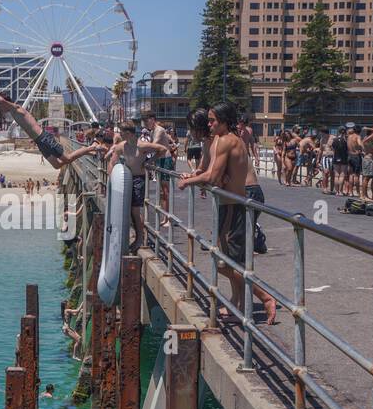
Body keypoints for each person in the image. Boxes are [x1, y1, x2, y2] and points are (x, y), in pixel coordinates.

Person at [178, 102, 277, 324]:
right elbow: (211, 171)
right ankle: (239, 304)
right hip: (233, 201)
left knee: (226, 260)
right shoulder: (221, 140)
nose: (209, 124)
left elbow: (212, 177)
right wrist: (197, 177)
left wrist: (189, 182)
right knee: (226, 258)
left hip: (238, 201)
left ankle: (263, 297)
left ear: (223, 121)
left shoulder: (224, 141)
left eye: (213, 120)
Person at [105, 120, 171, 250]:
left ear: (128, 133)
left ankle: (140, 238)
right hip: (127, 178)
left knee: (135, 211)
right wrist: (111, 178)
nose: (120, 135)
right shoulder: (121, 146)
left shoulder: (141, 145)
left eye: (122, 132)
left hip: (138, 179)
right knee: (128, 210)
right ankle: (137, 235)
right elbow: (112, 162)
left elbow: (162, 149)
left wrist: (149, 161)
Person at [0, 81, 68, 170]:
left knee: (66, 159)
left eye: (1, 107)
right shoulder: (12, 112)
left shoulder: (16, 108)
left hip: (43, 137)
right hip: (39, 141)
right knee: (56, 165)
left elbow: (1, 100)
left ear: (5, 104)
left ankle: (83, 149)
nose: (0, 109)